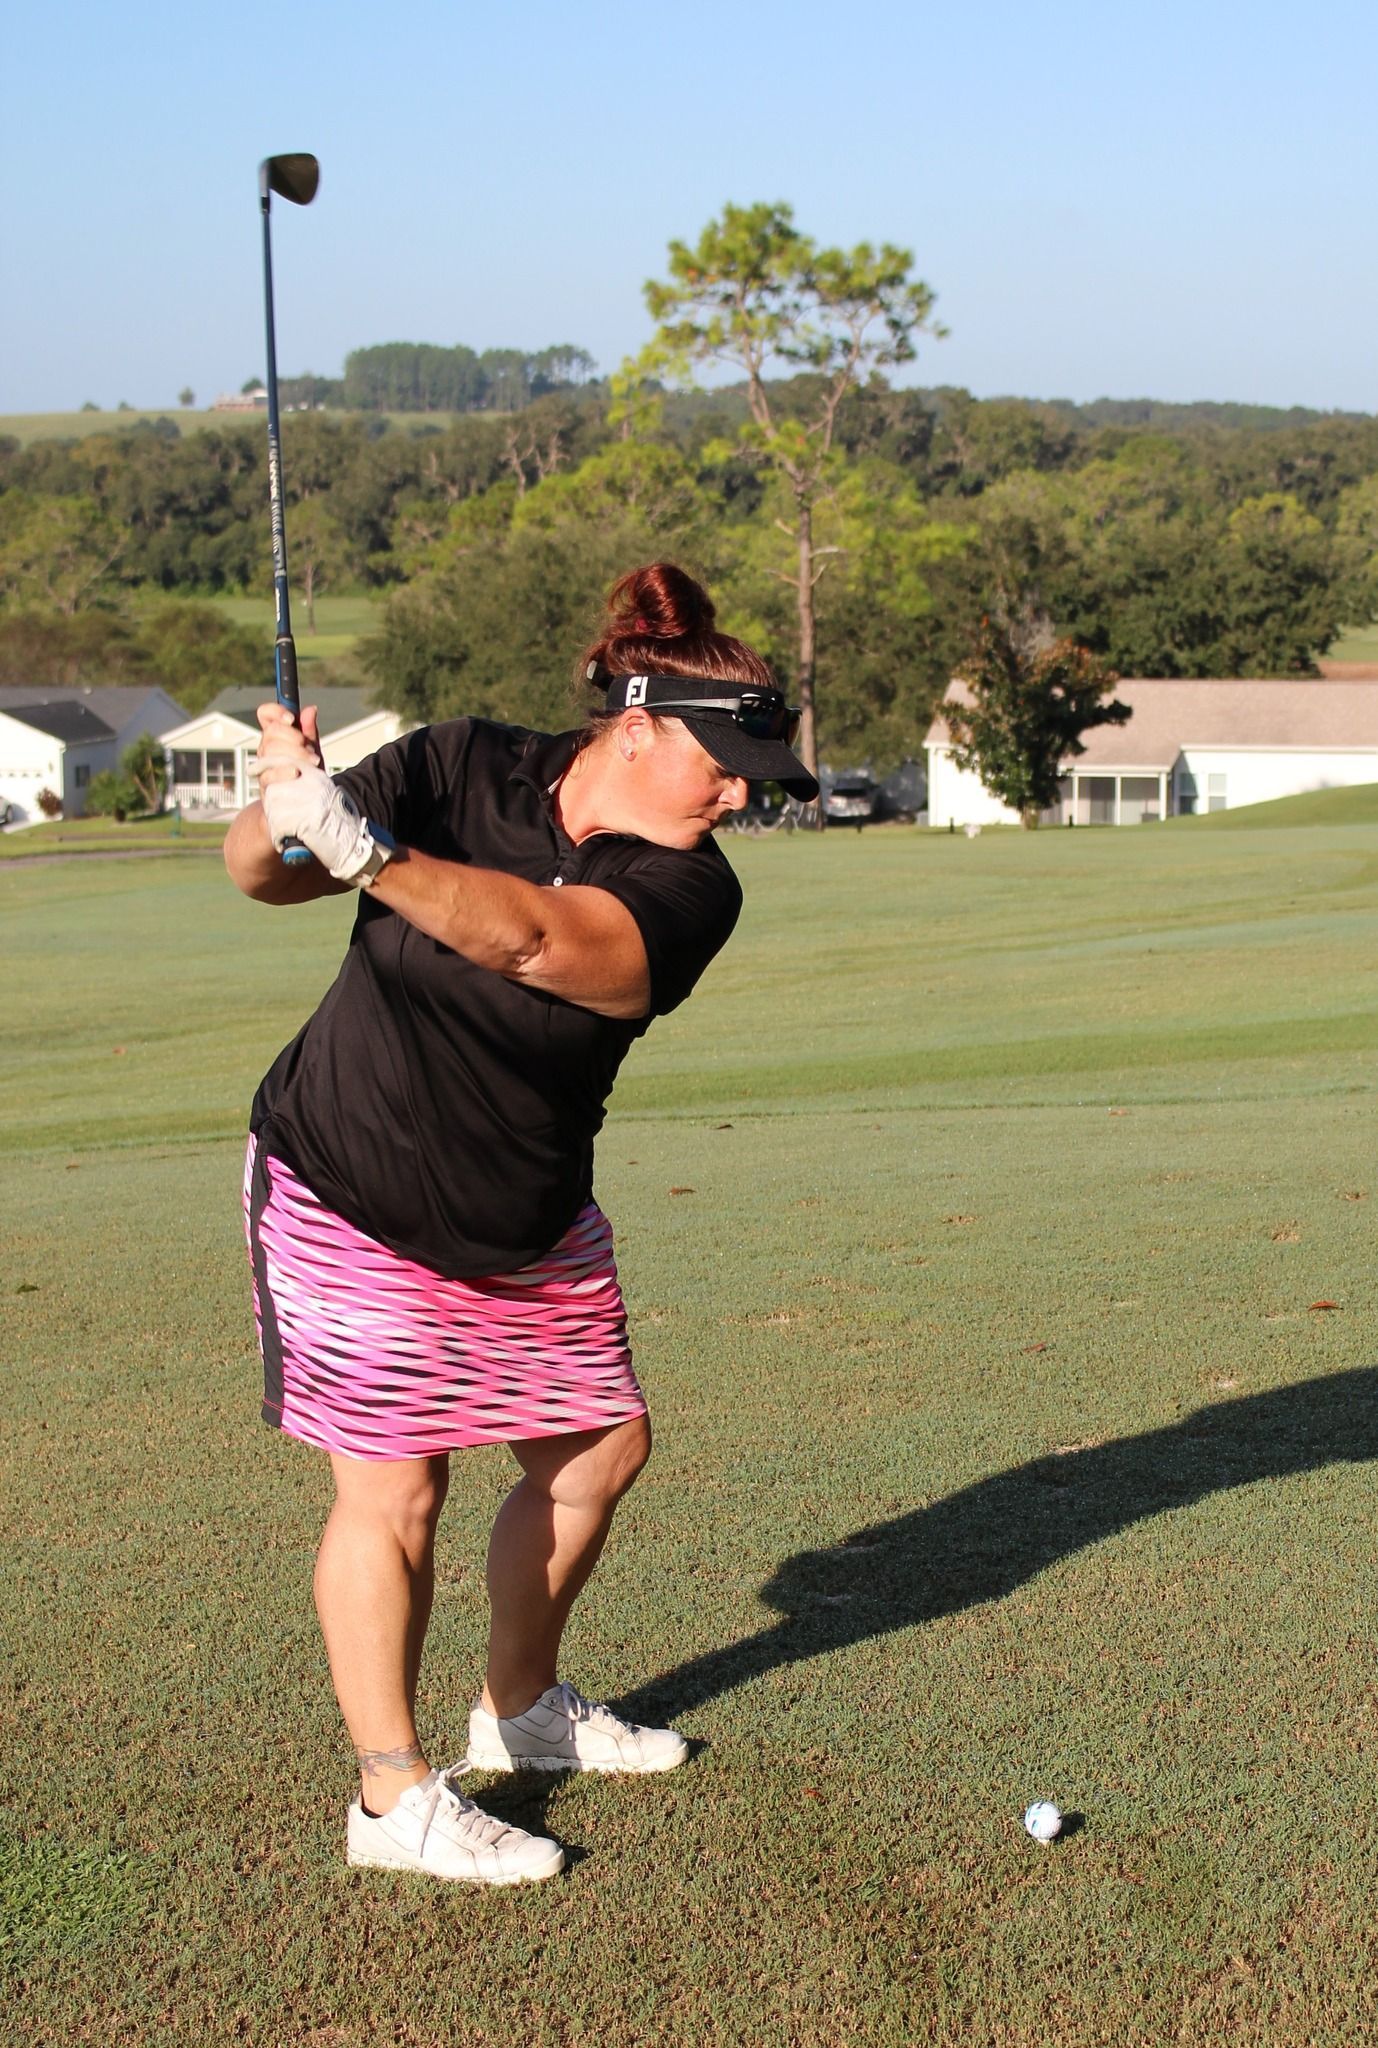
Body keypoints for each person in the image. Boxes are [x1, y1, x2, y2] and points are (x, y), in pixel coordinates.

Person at [224, 561, 818, 1886]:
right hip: (348, 1176)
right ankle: (390, 1799)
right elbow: (264, 879)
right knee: (397, 1485)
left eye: (753, 783)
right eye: (723, 767)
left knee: (599, 1445)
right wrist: (286, 811)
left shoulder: (690, 890)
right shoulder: (458, 765)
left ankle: (522, 1708)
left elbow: (546, 945)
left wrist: (368, 850)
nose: (736, 796)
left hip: (524, 1203)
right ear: (638, 723)